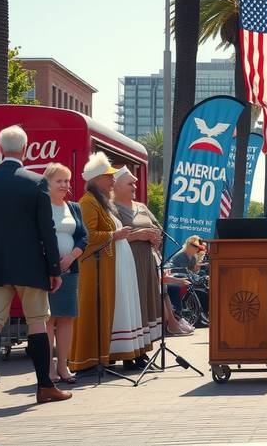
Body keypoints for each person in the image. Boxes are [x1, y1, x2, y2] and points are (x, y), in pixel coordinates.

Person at [0, 125, 71, 405]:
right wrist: (54, 268)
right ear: (24, 149)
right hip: (30, 266)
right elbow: (46, 228)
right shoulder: (36, 182)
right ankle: (45, 386)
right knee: (37, 322)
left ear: (0, 149)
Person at [71, 152, 148, 372]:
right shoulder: (88, 202)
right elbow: (88, 235)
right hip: (99, 267)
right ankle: (90, 359)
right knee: (97, 310)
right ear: (96, 179)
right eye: (109, 177)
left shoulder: (102, 202)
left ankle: (117, 352)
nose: (113, 181)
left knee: (117, 310)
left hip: (114, 265)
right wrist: (114, 235)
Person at [43, 163, 87, 384]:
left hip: (71, 270)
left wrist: (71, 257)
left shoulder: (74, 207)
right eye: (58, 181)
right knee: (47, 320)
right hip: (46, 273)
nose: (64, 185)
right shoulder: (40, 206)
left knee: (67, 318)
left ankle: (63, 367)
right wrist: (53, 264)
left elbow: (83, 236)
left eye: (66, 181)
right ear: (47, 183)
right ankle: (48, 370)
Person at [114, 167, 164, 347]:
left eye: (135, 183)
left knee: (146, 303)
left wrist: (156, 238)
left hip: (147, 262)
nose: (135, 186)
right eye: (130, 183)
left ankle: (143, 349)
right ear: (117, 186)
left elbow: (158, 229)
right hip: (128, 263)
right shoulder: (112, 208)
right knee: (133, 306)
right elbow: (111, 236)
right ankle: (129, 351)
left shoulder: (142, 207)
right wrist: (137, 235)